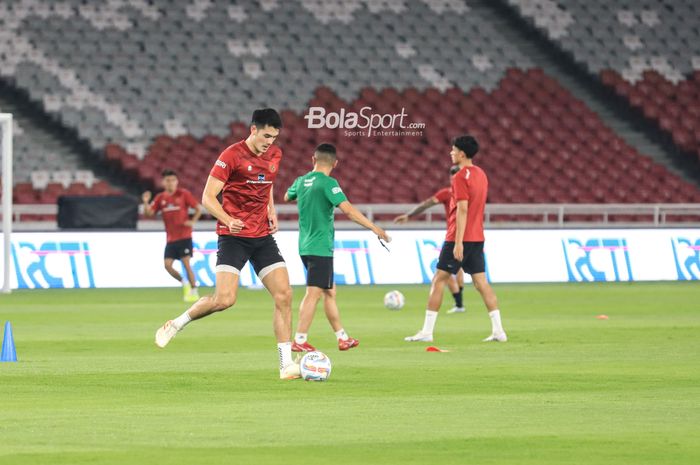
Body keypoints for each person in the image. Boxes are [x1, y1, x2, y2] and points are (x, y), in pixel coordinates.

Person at [154, 108, 302, 380]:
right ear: (253, 130)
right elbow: (208, 197)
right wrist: (227, 218)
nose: (270, 142)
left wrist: (271, 209)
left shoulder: (275, 155)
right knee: (224, 300)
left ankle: (285, 365)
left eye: (275, 137)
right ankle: (177, 323)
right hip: (233, 236)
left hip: (261, 236)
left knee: (285, 295)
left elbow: (266, 184)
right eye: (266, 135)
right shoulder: (230, 156)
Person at [284, 143, 391, 352]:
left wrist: (305, 193)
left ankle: (342, 337)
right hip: (320, 246)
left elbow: (288, 196)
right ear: (335, 163)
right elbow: (349, 211)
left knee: (330, 292)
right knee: (313, 293)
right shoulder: (329, 183)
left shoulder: (301, 180)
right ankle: (299, 339)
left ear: (313, 160)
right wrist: (374, 227)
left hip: (305, 245)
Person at [405, 135, 507, 343]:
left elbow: (462, 210)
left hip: (457, 238)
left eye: (453, 150)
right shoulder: (481, 174)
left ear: (462, 153)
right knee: (481, 283)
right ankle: (499, 331)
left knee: (438, 279)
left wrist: (458, 242)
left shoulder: (460, 177)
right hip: (478, 237)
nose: (450, 153)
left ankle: (426, 331)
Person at [394, 165, 466, 314]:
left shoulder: (448, 193)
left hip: (455, 237)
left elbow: (427, 204)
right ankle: (461, 304)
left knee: (443, 273)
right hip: (470, 237)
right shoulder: (461, 194)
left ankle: (459, 305)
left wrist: (409, 216)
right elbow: (428, 203)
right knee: (464, 272)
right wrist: (409, 215)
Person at [142, 169, 202, 302]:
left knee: (186, 263)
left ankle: (194, 291)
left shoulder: (183, 194)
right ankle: (184, 283)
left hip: (184, 236)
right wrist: (146, 202)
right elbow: (149, 214)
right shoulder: (160, 198)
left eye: (173, 180)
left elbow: (198, 208)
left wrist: (192, 221)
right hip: (171, 238)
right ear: (163, 182)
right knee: (167, 265)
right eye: (168, 180)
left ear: (177, 181)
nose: (170, 183)